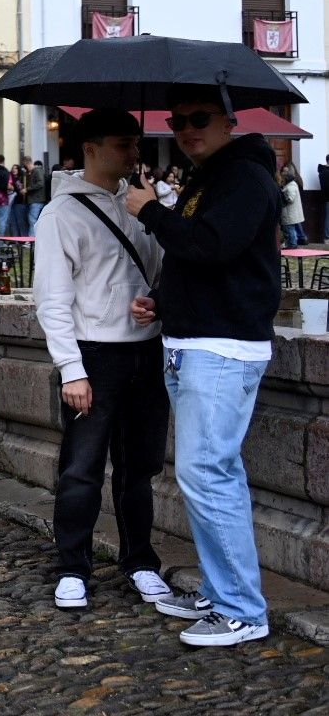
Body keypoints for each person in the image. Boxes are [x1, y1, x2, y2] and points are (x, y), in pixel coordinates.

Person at [125, 86, 280, 646]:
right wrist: (164, 302)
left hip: (222, 348)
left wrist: (152, 213)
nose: (186, 129)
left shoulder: (245, 178)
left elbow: (215, 244)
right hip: (198, 341)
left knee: (207, 474)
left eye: (198, 119)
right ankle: (222, 592)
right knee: (210, 475)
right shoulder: (209, 177)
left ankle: (241, 609)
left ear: (229, 122)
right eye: (177, 121)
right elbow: (203, 263)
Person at [33, 109, 169, 612]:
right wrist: (72, 369)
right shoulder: (61, 214)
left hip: (145, 350)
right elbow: (52, 298)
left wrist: (154, 300)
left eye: (136, 144)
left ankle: (140, 561)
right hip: (94, 353)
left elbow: (156, 270)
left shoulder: (142, 206)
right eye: (122, 144)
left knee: (139, 468)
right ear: (90, 148)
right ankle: (72, 566)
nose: (134, 154)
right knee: (82, 468)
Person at [279, 164, 305, 249]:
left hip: (290, 213)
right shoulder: (290, 185)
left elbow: (290, 199)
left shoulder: (291, 186)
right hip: (289, 213)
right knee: (290, 229)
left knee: (290, 229)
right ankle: (292, 243)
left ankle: (293, 244)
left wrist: (283, 195)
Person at [26, 158, 48, 230]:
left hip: (36, 199)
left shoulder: (37, 171)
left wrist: (27, 189)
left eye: (26, 167)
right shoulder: (37, 171)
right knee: (34, 220)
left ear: (28, 164)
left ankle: (32, 238)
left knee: (32, 220)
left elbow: (40, 183)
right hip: (38, 199)